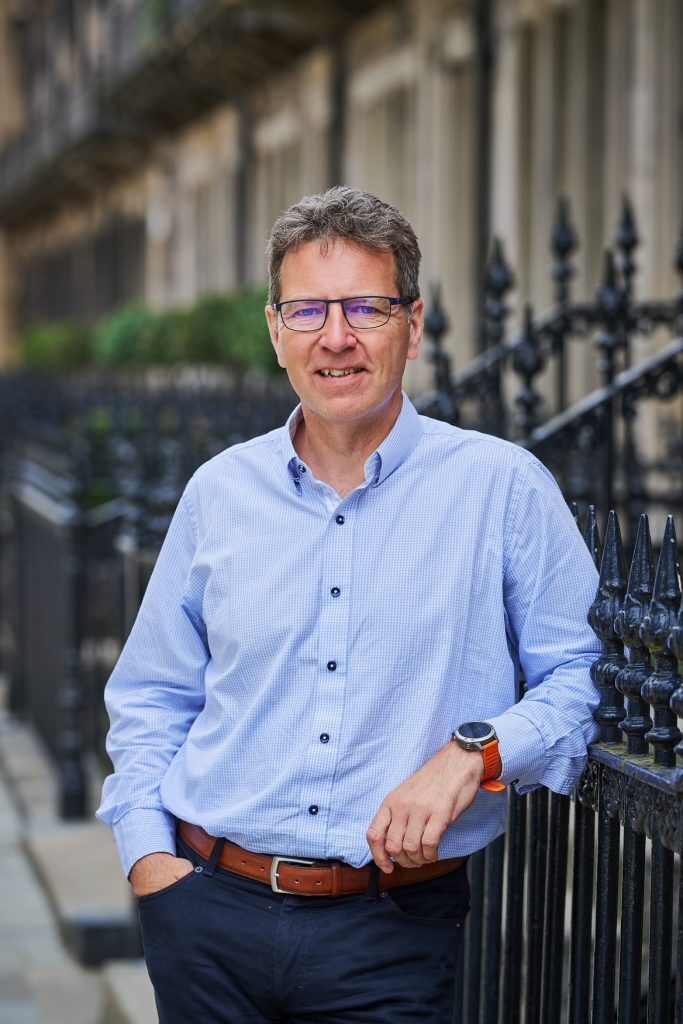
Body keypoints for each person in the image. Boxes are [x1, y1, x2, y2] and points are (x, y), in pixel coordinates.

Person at [97, 186, 600, 1023]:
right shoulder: (218, 492)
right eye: (307, 311)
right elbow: (152, 694)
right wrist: (151, 863)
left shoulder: (501, 488)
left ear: (413, 323)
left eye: (366, 307)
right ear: (275, 330)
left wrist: (472, 754)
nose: (336, 337)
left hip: (391, 929)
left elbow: (581, 677)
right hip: (204, 915)